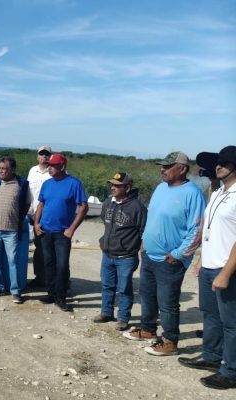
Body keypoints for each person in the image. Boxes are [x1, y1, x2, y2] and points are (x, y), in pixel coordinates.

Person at [123, 151, 206, 356]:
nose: (163, 169)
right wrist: (144, 240)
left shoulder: (192, 193)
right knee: (147, 295)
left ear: (182, 169)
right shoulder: (161, 188)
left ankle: (170, 341)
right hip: (149, 254)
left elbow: (197, 229)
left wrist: (179, 254)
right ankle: (148, 329)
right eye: (162, 166)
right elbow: (153, 216)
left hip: (171, 260)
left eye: (168, 166)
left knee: (167, 302)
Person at [178, 145, 236, 390]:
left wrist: (226, 273)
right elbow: (211, 229)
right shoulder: (219, 191)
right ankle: (211, 356)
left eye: (224, 163)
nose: (218, 166)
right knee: (210, 314)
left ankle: (231, 371)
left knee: (231, 323)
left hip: (227, 269)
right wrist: (202, 258)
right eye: (217, 162)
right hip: (210, 264)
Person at [34, 153, 88, 312]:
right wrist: (36, 223)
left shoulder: (74, 183)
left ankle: (61, 297)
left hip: (62, 233)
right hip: (45, 231)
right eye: (49, 165)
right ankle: (51, 293)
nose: (49, 168)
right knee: (49, 264)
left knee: (62, 265)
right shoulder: (47, 183)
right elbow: (41, 204)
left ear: (62, 166)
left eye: (53, 165)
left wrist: (71, 229)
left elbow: (83, 207)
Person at [93, 172, 147, 331]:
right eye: (112, 185)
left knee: (124, 288)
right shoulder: (108, 203)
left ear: (127, 188)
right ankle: (106, 312)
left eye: (117, 185)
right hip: (107, 254)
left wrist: (138, 249)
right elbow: (106, 223)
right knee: (107, 285)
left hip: (126, 257)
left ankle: (123, 318)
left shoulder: (137, 207)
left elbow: (144, 231)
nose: (113, 188)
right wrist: (104, 241)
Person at [0, 157, 32, 304]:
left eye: (4, 169)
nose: (1, 171)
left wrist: (18, 218)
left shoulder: (22, 184)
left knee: (13, 261)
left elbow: (27, 203)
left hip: (11, 231)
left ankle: (15, 291)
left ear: (12, 170)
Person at [27, 145, 52, 288]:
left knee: (49, 249)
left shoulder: (54, 172)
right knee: (39, 248)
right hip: (34, 216)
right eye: (41, 154)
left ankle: (51, 279)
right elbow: (28, 193)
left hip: (48, 216)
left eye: (47, 154)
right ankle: (39, 277)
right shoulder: (32, 171)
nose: (44, 156)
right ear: (37, 156)